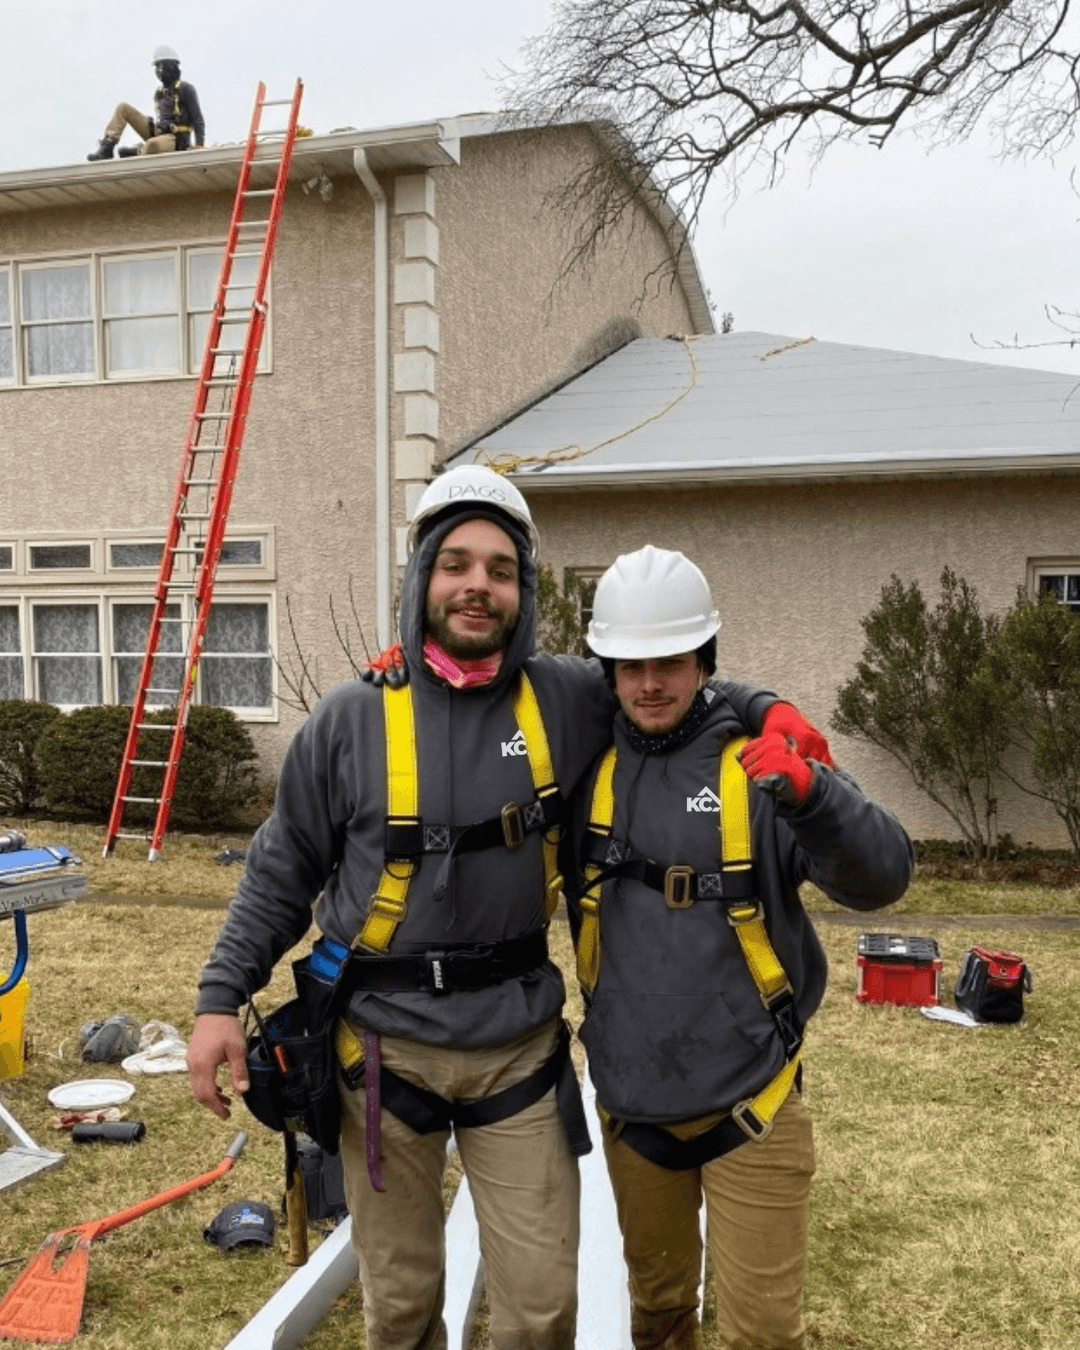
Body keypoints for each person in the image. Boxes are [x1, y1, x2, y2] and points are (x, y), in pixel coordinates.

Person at [186, 466, 793, 1350]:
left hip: (517, 1052)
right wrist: (216, 1001)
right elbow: (280, 872)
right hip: (383, 1056)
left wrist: (767, 710)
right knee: (398, 1307)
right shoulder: (350, 719)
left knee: (543, 1310)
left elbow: (672, 688)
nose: (478, 585)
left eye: (501, 570)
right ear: (421, 577)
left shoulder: (566, 697)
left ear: (524, 593)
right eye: (456, 564)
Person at [568, 544, 915, 1350]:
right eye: (630, 666)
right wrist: (410, 665)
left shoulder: (757, 767)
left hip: (751, 1108)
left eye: (672, 661)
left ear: (703, 661)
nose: (650, 683)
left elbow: (883, 876)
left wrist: (815, 796)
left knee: (763, 1335)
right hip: (633, 1110)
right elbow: (482, 708)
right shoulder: (586, 771)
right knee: (656, 1316)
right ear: (607, 672)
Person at [87, 46, 205, 161]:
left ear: (170, 66)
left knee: (152, 145)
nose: (158, 71)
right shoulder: (159, 93)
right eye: (156, 67)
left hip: (176, 140)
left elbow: (198, 119)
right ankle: (107, 147)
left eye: (160, 66)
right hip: (158, 133)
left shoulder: (186, 89)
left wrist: (199, 144)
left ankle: (139, 150)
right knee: (123, 107)